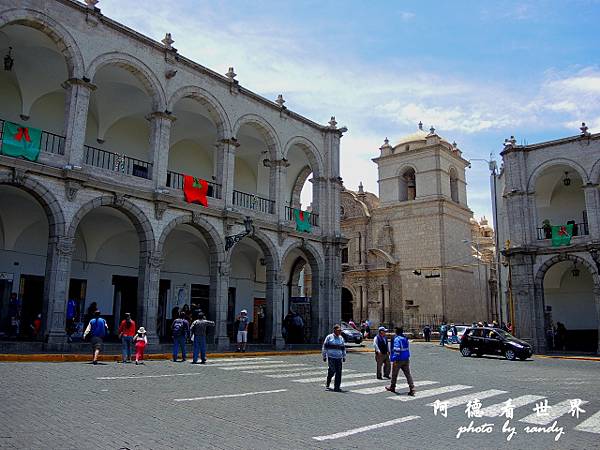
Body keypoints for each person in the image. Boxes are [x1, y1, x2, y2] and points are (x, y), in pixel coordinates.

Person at [386, 327, 415, 396]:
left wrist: (394, 359)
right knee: (408, 374)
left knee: (394, 374)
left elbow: (397, 350)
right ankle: (412, 388)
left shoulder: (397, 339)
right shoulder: (405, 339)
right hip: (406, 359)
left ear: (396, 332)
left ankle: (392, 387)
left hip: (398, 360)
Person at [322, 324, 346, 392]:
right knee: (332, 370)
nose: (340, 332)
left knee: (339, 372)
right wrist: (324, 356)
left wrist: (344, 356)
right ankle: (328, 383)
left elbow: (343, 348)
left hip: (339, 358)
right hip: (331, 357)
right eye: (338, 330)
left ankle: (337, 387)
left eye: (340, 330)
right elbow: (325, 347)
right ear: (335, 330)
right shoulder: (329, 337)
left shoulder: (341, 338)